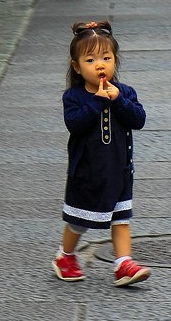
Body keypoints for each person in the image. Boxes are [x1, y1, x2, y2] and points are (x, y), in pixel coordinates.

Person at [52, 20, 151, 286]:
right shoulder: (74, 96)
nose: (100, 64)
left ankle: (123, 263)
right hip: (87, 173)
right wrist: (97, 99)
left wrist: (118, 100)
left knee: (121, 218)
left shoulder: (125, 93)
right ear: (77, 66)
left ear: (115, 61)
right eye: (91, 59)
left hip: (119, 170)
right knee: (79, 221)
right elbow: (75, 124)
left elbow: (138, 119)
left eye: (106, 58)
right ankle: (65, 256)